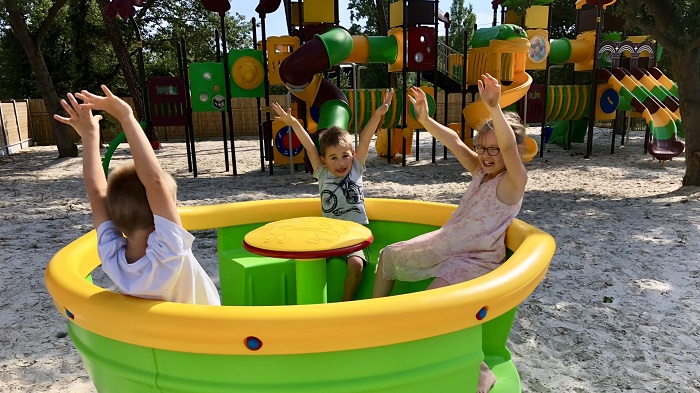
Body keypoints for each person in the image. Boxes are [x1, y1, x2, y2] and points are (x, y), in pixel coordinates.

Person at [371, 74, 528, 393]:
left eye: (495, 150)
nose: (487, 155)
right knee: (389, 256)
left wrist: (495, 108)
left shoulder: (513, 183)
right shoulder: (481, 172)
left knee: (434, 305)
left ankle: (479, 369)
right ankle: (373, 323)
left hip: (476, 260)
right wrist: (426, 120)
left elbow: (509, 146)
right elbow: (455, 142)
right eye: (483, 148)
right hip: (448, 245)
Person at [53, 85, 221, 306]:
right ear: (160, 213)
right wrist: (126, 116)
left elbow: (97, 194)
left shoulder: (113, 260)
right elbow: (154, 182)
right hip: (204, 334)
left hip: (155, 339)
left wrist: (89, 136)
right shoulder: (170, 253)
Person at [271, 89, 394, 301]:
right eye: (334, 157)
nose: (341, 163)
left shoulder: (356, 167)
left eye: (345, 156)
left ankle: (345, 304)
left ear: (352, 155)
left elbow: (365, 138)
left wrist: (379, 113)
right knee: (308, 262)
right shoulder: (322, 172)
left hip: (355, 235)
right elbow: (310, 146)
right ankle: (312, 304)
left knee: (356, 265)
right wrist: (293, 123)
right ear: (324, 160)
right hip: (328, 235)